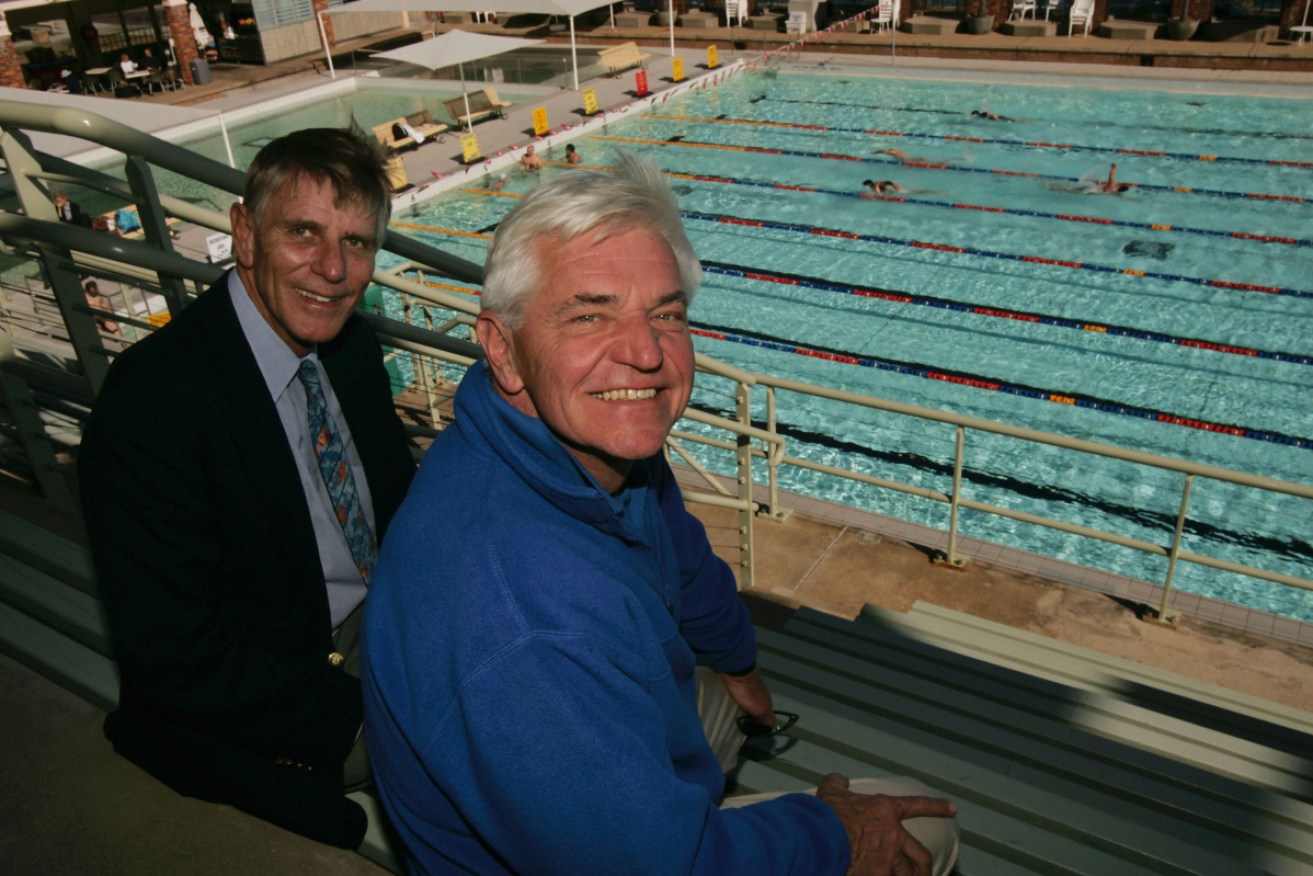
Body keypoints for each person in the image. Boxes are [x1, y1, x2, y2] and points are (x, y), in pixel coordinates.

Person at [362, 153, 960, 875]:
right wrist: (831, 831)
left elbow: (677, 549)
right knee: (915, 825)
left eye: (665, 314)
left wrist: (739, 664)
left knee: (711, 702)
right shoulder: (522, 617)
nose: (646, 354)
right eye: (590, 313)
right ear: (503, 349)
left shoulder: (583, 453)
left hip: (606, 795)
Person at [78, 125, 416, 849]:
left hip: (385, 620)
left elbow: (399, 498)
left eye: (356, 243)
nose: (333, 268)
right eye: (303, 232)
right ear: (245, 234)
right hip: (285, 692)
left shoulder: (348, 347)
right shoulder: (153, 403)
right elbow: (173, 654)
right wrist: (365, 713)